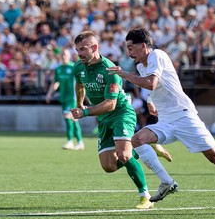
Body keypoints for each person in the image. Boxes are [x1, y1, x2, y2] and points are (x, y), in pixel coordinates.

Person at [107, 28, 215, 215]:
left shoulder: (157, 55)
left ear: (143, 46)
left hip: (184, 117)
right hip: (166, 120)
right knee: (137, 140)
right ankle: (167, 182)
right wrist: (151, 101)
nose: (128, 53)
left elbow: (151, 82)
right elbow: (157, 85)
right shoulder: (141, 66)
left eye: (131, 47)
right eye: (127, 48)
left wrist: (123, 74)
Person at [70, 31, 172, 209]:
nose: (80, 53)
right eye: (78, 50)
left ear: (94, 48)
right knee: (108, 166)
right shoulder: (78, 67)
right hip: (103, 118)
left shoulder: (110, 69)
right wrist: (79, 104)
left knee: (124, 155)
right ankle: (142, 149)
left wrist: (85, 112)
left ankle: (145, 197)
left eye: (83, 49)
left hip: (121, 114)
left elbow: (110, 104)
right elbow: (79, 84)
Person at [46, 48, 84, 150]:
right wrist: (49, 94)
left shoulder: (73, 67)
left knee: (68, 117)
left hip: (72, 97)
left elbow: (80, 81)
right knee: (74, 120)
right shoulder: (58, 69)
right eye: (62, 54)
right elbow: (56, 83)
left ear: (69, 56)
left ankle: (70, 141)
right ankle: (80, 142)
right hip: (63, 97)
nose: (64, 56)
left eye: (66, 54)